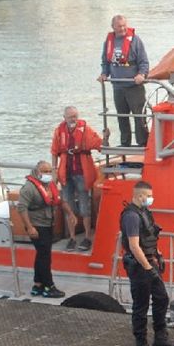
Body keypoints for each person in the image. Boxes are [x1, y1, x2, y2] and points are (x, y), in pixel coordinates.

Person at [120, 181, 174, 346]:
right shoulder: (131, 216)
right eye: (148, 196)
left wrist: (157, 255)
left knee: (161, 298)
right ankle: (141, 343)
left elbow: (149, 236)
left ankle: (161, 338)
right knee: (141, 305)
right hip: (139, 266)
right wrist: (147, 268)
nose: (150, 199)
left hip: (150, 261)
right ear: (139, 196)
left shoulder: (145, 212)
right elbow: (134, 245)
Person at [50, 106, 103, 251]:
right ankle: (72, 238)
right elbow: (54, 151)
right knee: (68, 207)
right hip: (66, 175)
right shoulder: (58, 131)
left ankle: (87, 237)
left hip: (82, 173)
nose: (73, 119)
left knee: (84, 206)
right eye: (70, 117)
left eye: (75, 116)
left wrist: (106, 138)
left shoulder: (85, 129)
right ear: (64, 117)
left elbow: (99, 143)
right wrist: (54, 170)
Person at [13, 161, 65, 298]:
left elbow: (58, 201)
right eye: (45, 171)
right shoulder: (29, 188)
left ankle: (38, 284)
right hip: (37, 225)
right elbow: (21, 208)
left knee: (42, 254)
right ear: (37, 172)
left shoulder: (49, 185)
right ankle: (49, 286)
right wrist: (30, 227)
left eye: (49, 171)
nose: (48, 174)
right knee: (45, 256)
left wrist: (70, 214)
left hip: (48, 223)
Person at [97, 14, 150, 148]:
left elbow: (144, 61)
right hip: (118, 86)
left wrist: (141, 74)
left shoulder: (135, 40)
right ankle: (125, 143)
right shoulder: (108, 42)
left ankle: (142, 143)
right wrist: (104, 74)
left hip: (134, 86)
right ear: (113, 27)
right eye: (119, 26)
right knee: (122, 116)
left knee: (139, 116)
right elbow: (105, 61)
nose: (122, 29)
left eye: (124, 25)